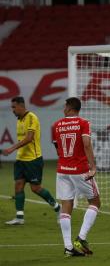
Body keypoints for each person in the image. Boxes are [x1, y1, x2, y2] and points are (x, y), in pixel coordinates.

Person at [52, 97, 101, 256]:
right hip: (79, 169)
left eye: (65, 106)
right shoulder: (83, 123)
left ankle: (68, 247)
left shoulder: (57, 125)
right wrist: (92, 166)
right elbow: (86, 144)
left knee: (66, 205)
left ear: (71, 108)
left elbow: (57, 147)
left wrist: (65, 160)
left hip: (62, 169)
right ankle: (81, 237)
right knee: (95, 201)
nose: (63, 108)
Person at [1, 96, 60, 225]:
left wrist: (11, 149)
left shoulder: (32, 117)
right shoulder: (19, 120)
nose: (12, 110)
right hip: (20, 160)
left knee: (35, 188)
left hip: (33, 160)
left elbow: (29, 138)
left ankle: (57, 207)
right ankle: (19, 217)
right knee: (18, 185)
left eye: (14, 107)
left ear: (21, 106)